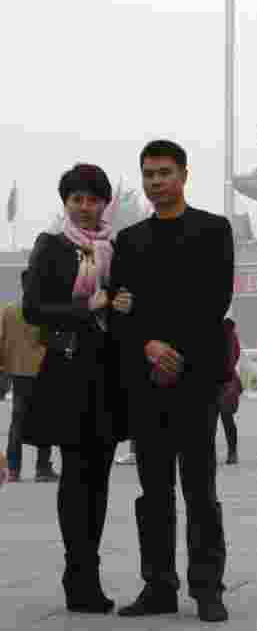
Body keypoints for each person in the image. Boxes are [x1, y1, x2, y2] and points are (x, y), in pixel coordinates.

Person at [109, 142, 234, 622]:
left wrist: (174, 350)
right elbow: (123, 306)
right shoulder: (131, 240)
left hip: (195, 377)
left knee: (200, 488)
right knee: (153, 490)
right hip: (146, 382)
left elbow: (214, 299)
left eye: (164, 172)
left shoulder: (213, 231)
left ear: (184, 174)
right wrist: (148, 346)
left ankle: (207, 587)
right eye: (148, 174)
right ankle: (158, 585)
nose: (156, 182)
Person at [23, 163, 132, 613]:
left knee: (100, 478)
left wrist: (123, 303)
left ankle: (89, 571)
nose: (86, 208)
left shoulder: (116, 249)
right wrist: (91, 304)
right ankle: (78, 575)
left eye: (94, 200)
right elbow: (33, 308)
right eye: (77, 200)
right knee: (75, 477)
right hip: (69, 371)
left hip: (108, 372)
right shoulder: (51, 246)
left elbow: (126, 302)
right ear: (65, 203)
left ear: (105, 203)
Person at [1, 273, 59, 482]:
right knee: (45, 420)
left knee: (17, 422)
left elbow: (0, 342)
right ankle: (42, 469)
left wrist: (3, 374)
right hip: (43, 373)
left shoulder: (8, 311)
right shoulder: (47, 312)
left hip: (17, 373)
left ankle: (13, 470)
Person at [216, 318, 242, 465]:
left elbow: (234, 355)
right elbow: (236, 354)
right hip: (223, 380)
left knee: (225, 419)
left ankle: (232, 452)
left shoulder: (228, 332)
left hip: (224, 382)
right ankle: (232, 452)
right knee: (225, 420)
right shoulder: (230, 332)